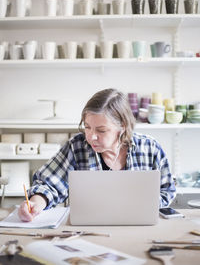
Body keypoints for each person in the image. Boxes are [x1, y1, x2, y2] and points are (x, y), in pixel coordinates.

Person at [18, 88, 176, 221]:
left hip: (139, 226)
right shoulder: (76, 146)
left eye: (101, 130)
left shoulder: (150, 148)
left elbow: (167, 191)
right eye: (87, 127)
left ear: (123, 126)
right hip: (87, 229)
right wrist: (35, 203)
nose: (91, 136)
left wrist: (138, 208)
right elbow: (49, 185)